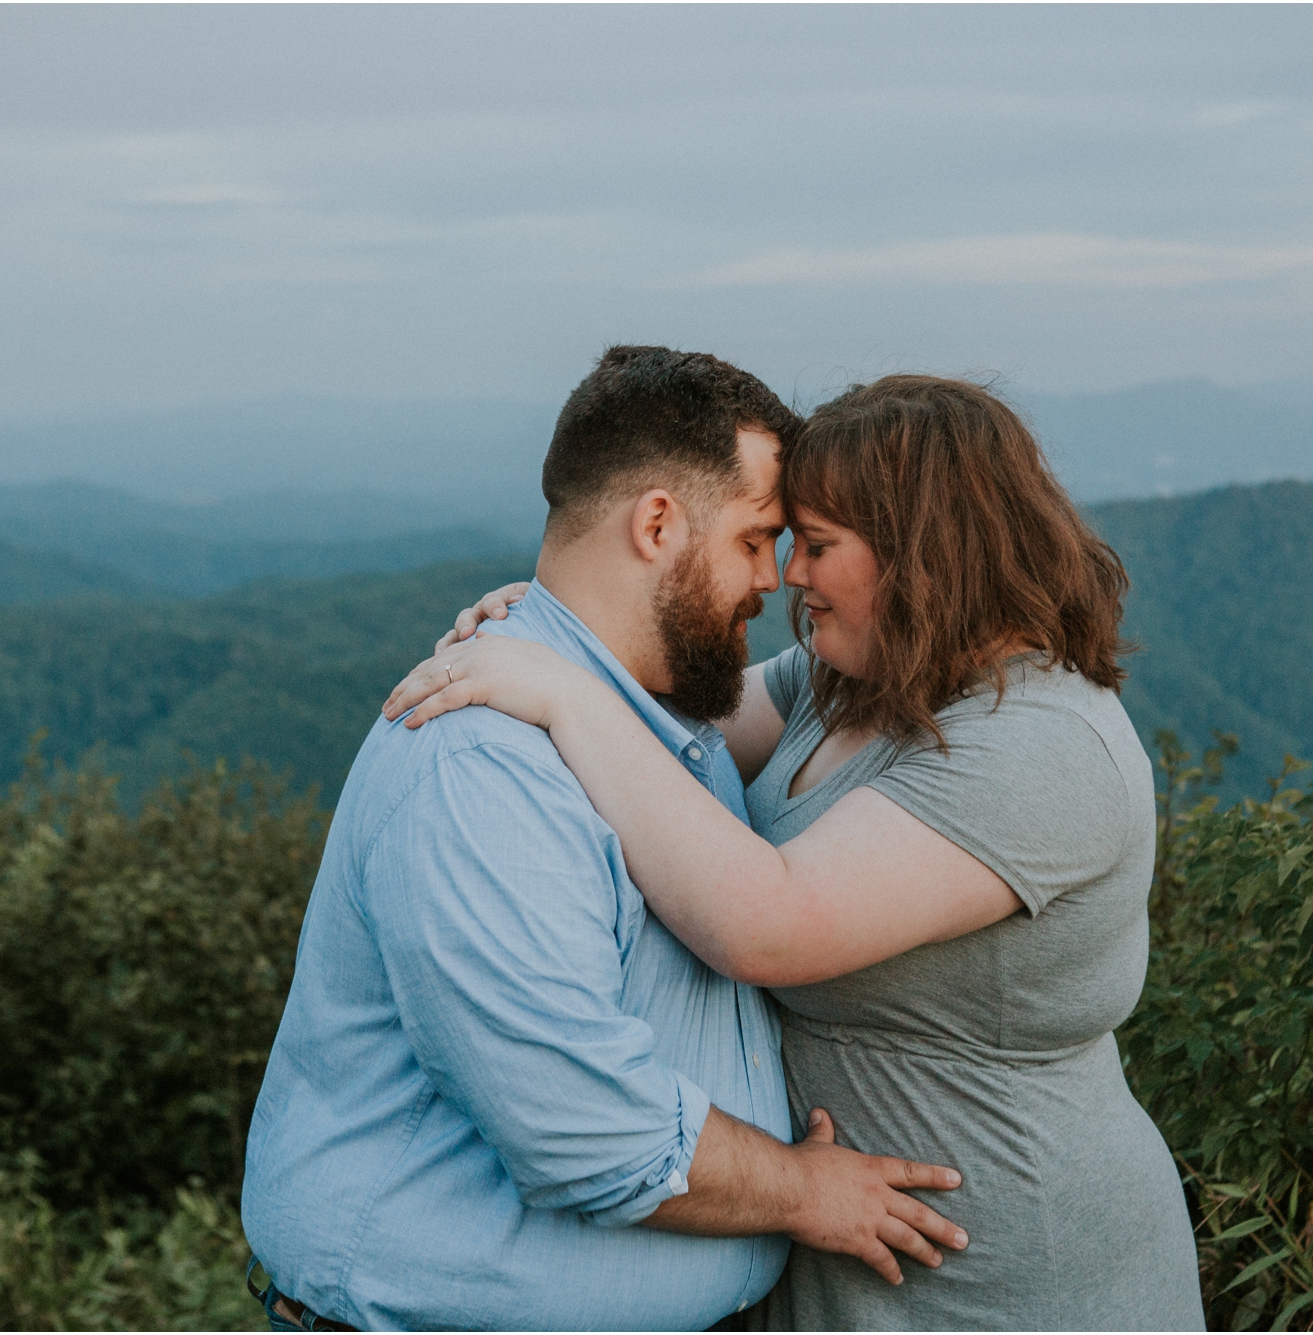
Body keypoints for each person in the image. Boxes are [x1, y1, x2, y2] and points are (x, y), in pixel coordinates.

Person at [385, 374, 1208, 1331]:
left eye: (817, 545)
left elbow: (765, 923)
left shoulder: (1043, 747)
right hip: (841, 1275)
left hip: (1011, 1278)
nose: (789, 576)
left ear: (925, 552)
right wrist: (573, 630)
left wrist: (565, 692)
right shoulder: (849, 680)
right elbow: (673, 729)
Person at [242, 348, 968, 1334]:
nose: (777, 577)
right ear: (657, 523)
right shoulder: (482, 767)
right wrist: (804, 1193)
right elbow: (580, 1128)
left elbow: (869, 665)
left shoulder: (648, 718)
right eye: (758, 538)